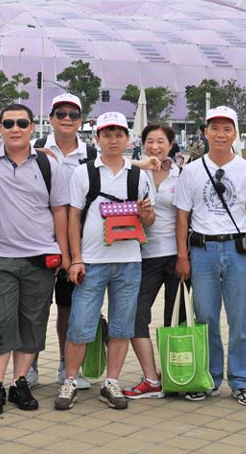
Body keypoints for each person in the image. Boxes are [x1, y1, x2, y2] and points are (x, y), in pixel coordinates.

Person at [54, 112, 155, 411]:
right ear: (96, 138)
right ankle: (70, 379)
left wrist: (147, 214)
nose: (113, 140)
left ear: (128, 139)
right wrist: (76, 259)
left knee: (122, 326)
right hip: (92, 261)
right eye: (107, 134)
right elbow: (73, 217)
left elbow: (148, 220)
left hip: (129, 261)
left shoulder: (139, 176)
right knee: (80, 324)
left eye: (119, 134)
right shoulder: (84, 173)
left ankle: (111, 381)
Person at [0, 103, 70, 416]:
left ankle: (19, 382)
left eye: (22, 123)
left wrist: (63, 253)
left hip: (40, 258)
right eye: (8, 124)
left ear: (32, 127)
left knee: (32, 322)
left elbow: (60, 210)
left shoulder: (48, 165)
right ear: (0, 128)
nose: (15, 129)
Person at [173, 106, 246, 406]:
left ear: (235, 133)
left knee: (239, 319)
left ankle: (241, 380)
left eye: (227, 129)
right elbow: (182, 217)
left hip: (237, 251)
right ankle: (209, 376)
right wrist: (182, 256)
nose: (220, 134)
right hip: (203, 251)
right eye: (214, 128)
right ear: (205, 132)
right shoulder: (191, 170)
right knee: (206, 318)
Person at [35, 93, 97, 390]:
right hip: (37, 239)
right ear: (51, 119)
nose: (67, 119)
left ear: (81, 121)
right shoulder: (34, 149)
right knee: (34, 308)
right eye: (61, 114)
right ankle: (29, 367)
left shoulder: (91, 154)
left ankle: (66, 365)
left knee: (69, 308)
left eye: (73, 114)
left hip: (77, 241)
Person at [123, 124, 182, 400]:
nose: (155, 146)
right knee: (135, 314)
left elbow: (187, 216)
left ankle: (179, 376)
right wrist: (142, 164)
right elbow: (108, 161)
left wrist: (185, 256)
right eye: (149, 141)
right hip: (143, 255)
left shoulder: (182, 174)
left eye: (160, 141)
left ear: (171, 144)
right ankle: (151, 378)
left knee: (176, 318)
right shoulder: (134, 173)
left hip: (176, 256)